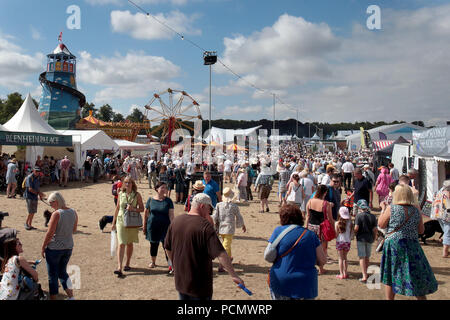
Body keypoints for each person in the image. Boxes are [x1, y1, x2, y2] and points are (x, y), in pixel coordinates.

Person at [164, 193, 245, 300]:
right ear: (202, 206)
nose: (209, 212)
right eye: (209, 209)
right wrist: (234, 275)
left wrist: (175, 264)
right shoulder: (205, 226)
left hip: (181, 281)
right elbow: (221, 253)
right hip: (200, 284)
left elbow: (168, 247)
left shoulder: (176, 221)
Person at [378, 184, 438, 300]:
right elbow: (421, 230)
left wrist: (383, 209)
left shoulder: (392, 208)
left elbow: (381, 224)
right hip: (411, 245)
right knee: (415, 274)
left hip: (394, 245)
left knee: (391, 275)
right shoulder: (415, 210)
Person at [266, 204, 326, 300]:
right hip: (306, 283)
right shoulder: (311, 235)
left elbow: (267, 256)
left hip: (282, 280)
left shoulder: (278, 231)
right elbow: (322, 260)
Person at [41, 192, 78, 300]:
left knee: (52, 275)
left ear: (56, 201)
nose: (51, 206)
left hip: (55, 248)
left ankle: (54, 298)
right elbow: (74, 230)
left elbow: (50, 233)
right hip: (68, 246)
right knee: (63, 272)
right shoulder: (73, 212)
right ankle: (71, 296)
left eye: (51, 203)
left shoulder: (57, 214)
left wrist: (43, 246)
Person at [111, 177, 144, 277]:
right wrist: (113, 223)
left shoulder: (137, 195)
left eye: (129, 182)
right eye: (125, 182)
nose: (127, 184)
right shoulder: (120, 194)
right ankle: (119, 267)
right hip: (121, 220)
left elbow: (142, 209)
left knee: (129, 243)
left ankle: (128, 263)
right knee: (121, 243)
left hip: (131, 222)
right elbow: (117, 208)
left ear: (132, 184)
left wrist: (133, 208)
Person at [212, 187, 246, 272]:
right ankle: (225, 261)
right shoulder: (233, 206)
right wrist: (242, 225)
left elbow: (214, 217)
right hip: (228, 229)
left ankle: (225, 261)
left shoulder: (219, 205)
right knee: (226, 245)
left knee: (225, 245)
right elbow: (239, 217)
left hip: (221, 228)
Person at [143, 181, 174, 272]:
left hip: (165, 227)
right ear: (157, 189)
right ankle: (153, 262)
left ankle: (170, 264)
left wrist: (173, 227)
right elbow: (146, 214)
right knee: (153, 244)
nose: (164, 189)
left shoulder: (168, 201)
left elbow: (171, 215)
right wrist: (144, 226)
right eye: (162, 187)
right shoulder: (150, 200)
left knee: (167, 246)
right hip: (153, 227)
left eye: (165, 187)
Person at [305, 184, 334, 274]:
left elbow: (308, 216)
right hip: (321, 228)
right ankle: (321, 268)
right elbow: (330, 218)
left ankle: (310, 266)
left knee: (311, 247)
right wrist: (334, 228)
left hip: (311, 226)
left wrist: (306, 227)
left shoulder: (310, 201)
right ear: (325, 193)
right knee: (322, 249)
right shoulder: (326, 204)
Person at [354, 199, 377, 283]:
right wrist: (374, 237)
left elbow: (356, 228)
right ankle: (366, 273)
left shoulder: (359, 216)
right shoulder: (373, 216)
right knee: (367, 257)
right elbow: (375, 229)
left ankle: (364, 276)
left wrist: (354, 233)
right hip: (370, 238)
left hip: (361, 238)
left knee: (362, 257)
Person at [431, 180, 450, 258]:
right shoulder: (447, 192)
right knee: (448, 232)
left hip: (438, 214)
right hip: (446, 215)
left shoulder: (439, 191)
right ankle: (445, 251)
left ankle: (443, 240)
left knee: (446, 231)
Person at [335, 207, 352, 279]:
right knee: (345, 258)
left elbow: (336, 234)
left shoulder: (337, 223)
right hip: (347, 241)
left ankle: (341, 274)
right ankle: (345, 273)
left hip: (339, 241)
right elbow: (351, 233)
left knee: (340, 258)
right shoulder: (350, 223)